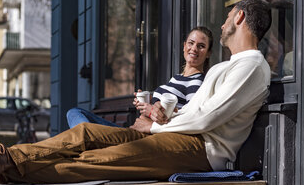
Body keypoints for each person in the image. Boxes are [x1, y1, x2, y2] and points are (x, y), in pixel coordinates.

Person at [0, 0, 272, 185]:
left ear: (240, 17)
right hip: (175, 136)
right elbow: (193, 113)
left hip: (199, 152)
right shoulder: (225, 67)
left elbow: (209, 117)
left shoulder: (252, 65)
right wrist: (158, 118)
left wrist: (155, 125)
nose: (225, 21)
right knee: (85, 130)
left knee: (94, 160)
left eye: (229, 16)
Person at [66, 26, 213, 128]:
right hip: (134, 128)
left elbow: (189, 118)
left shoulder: (197, 82)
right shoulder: (177, 78)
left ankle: (85, 140)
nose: (194, 49)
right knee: (75, 113)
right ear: (184, 46)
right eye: (191, 43)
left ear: (208, 53)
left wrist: (151, 111)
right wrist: (147, 101)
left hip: (141, 138)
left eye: (201, 46)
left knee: (76, 115)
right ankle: (86, 139)